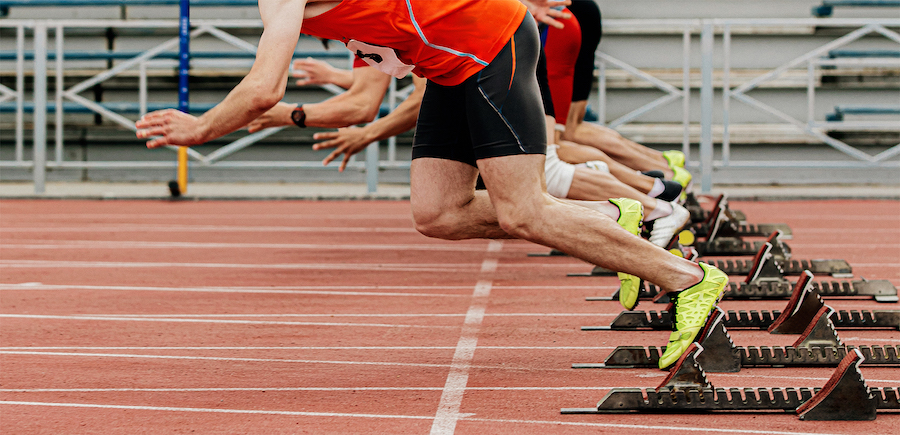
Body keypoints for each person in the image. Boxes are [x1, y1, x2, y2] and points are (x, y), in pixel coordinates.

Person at [135, 0, 727, 369]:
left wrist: (202, 129)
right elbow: (358, 106)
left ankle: (690, 279)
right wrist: (283, 116)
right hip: (452, 69)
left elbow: (263, 85)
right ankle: (611, 221)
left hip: (491, 44)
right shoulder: (358, 20)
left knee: (525, 210)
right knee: (438, 212)